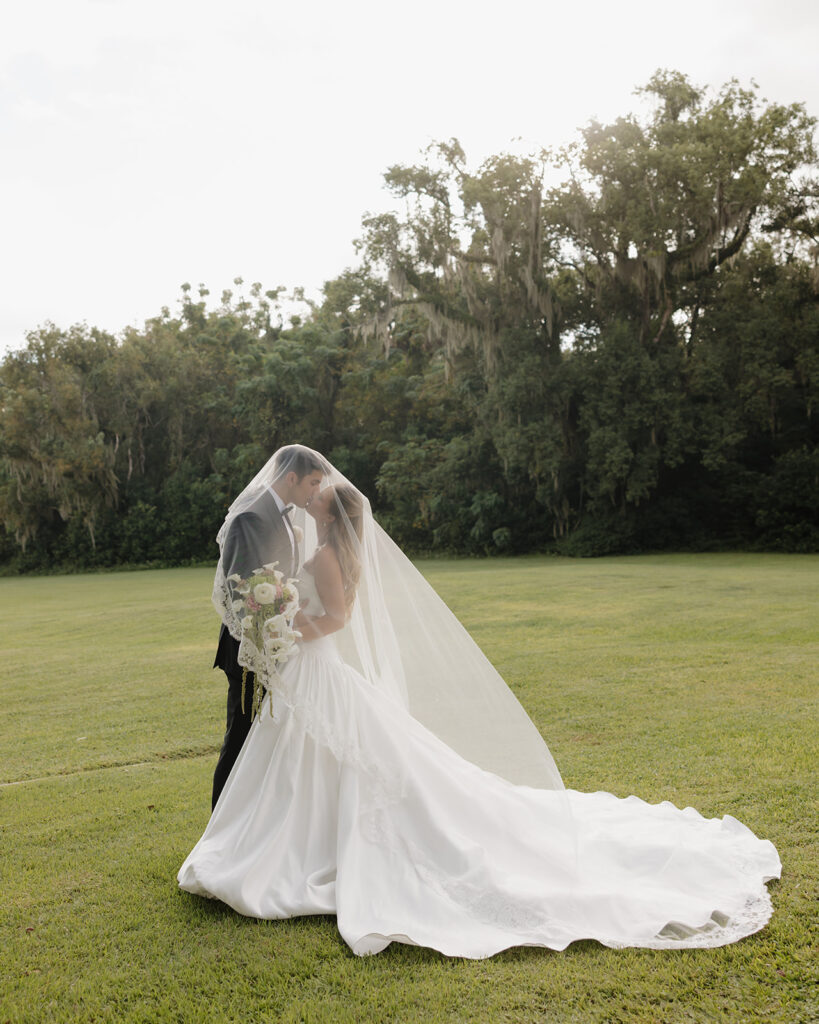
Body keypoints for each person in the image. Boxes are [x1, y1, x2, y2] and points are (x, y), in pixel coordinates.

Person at [180, 446, 780, 958]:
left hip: (309, 660)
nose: (315, 496)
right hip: (300, 666)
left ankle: (278, 847)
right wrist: (280, 622)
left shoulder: (327, 551)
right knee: (295, 754)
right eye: (313, 487)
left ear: (326, 507)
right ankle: (275, 838)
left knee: (319, 754)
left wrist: (287, 629)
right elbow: (273, 590)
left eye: (319, 494)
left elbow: (333, 616)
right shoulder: (299, 529)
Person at [210, 444, 326, 809]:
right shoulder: (251, 516)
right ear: (291, 477)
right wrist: (268, 636)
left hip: (277, 643)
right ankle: (219, 830)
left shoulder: (281, 516)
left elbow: (278, 577)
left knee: (265, 742)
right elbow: (239, 587)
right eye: (312, 483)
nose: (315, 493)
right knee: (241, 739)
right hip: (250, 650)